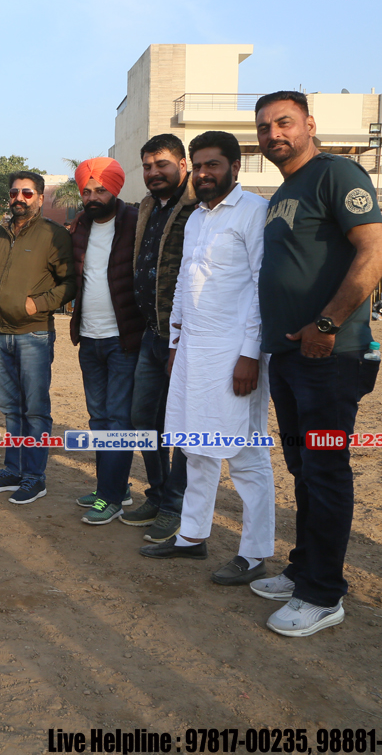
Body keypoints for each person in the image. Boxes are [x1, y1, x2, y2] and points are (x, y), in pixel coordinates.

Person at [254, 90, 382, 636]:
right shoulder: (283, 192)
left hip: (330, 358)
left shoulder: (336, 174)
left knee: (327, 470)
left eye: (284, 122)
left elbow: (377, 252)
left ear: (309, 125)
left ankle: (323, 594)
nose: (273, 134)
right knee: (303, 468)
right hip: (291, 357)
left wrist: (328, 325)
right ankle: (303, 569)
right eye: (264, 127)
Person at [139, 131, 275, 586]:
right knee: (195, 450)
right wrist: (176, 342)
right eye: (197, 166)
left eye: (212, 165)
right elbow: (183, 281)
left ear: (235, 167)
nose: (202, 174)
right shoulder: (196, 217)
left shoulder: (254, 211)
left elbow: (261, 286)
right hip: (193, 350)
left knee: (246, 455)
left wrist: (250, 354)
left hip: (235, 354)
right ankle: (191, 537)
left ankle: (254, 553)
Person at [0, 171, 75, 505]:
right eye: (14, 192)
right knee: (10, 408)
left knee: (35, 410)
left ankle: (35, 477)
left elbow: (69, 283)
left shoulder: (54, 234)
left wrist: (37, 304)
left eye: (27, 193)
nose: (19, 198)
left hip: (34, 334)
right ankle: (13, 470)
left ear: (41, 198)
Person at [123, 134, 194, 542]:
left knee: (178, 425)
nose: (153, 172)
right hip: (151, 334)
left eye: (162, 164)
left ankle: (175, 506)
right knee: (142, 418)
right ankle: (158, 492)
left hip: (183, 338)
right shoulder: (148, 206)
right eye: (148, 166)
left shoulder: (198, 206)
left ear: (182, 164)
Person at [67, 157, 144, 524]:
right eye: (87, 191)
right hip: (89, 337)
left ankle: (110, 498)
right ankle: (112, 488)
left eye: (100, 190)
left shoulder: (136, 222)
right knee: (98, 418)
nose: (93, 197)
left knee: (118, 420)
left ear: (115, 189)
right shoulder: (81, 225)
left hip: (123, 339)